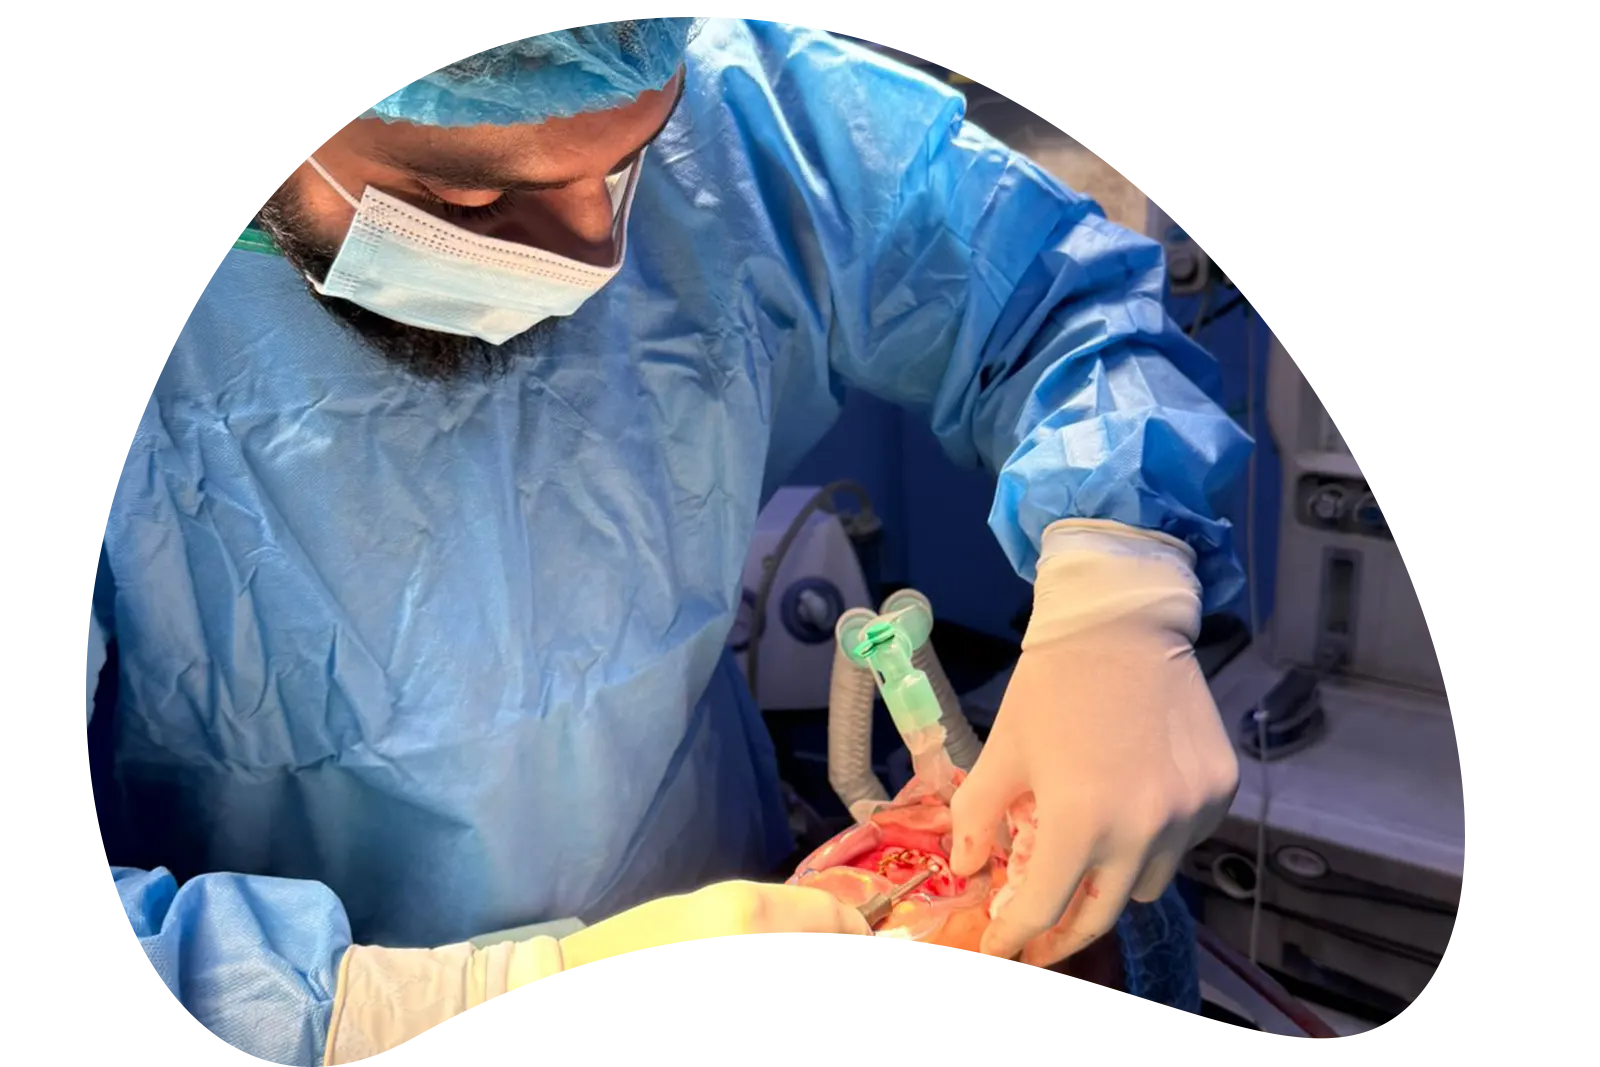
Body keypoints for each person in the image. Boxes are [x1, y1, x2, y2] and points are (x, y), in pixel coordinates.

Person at [85, 16, 1252, 1066]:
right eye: (472, 199)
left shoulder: (736, 110)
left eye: (634, 159)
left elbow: (1051, 299)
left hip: (713, 895)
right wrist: (411, 1022)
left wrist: (1118, 582)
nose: (596, 248)